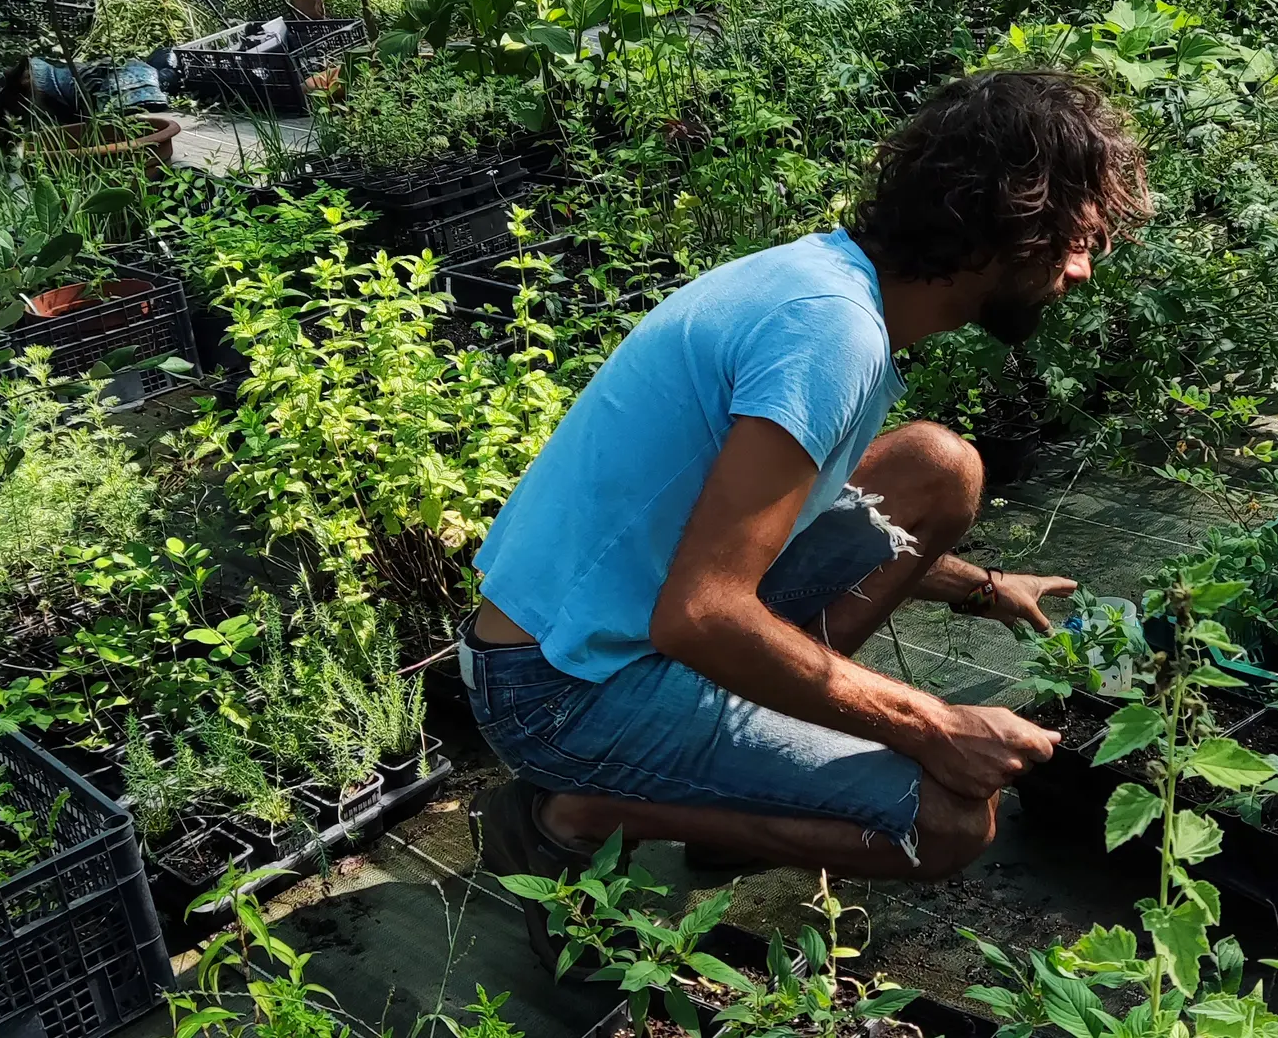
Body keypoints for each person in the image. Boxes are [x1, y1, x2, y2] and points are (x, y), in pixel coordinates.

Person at [464, 68, 1153, 965]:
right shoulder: (830, 333)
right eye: (1075, 240)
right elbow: (701, 613)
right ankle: (579, 810)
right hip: (560, 693)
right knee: (949, 819)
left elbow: (767, 524)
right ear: (1001, 221)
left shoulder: (826, 282)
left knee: (938, 469)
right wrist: (932, 723)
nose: (1082, 270)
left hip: (582, 635)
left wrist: (979, 587)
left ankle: (727, 803)